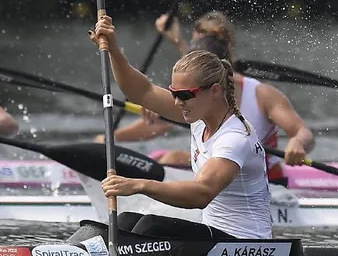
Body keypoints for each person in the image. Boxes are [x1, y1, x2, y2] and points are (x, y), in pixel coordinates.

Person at [90, 15, 271, 240]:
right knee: (125, 221)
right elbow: (141, 91)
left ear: (214, 91)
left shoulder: (235, 137)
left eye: (184, 95)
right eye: (174, 94)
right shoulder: (198, 116)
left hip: (245, 246)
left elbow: (201, 194)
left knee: (150, 226)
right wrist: (113, 49)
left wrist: (139, 184)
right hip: (213, 236)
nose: (177, 102)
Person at [115, 11, 314, 181]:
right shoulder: (198, 92)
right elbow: (151, 94)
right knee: (161, 158)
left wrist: (298, 142)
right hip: (216, 173)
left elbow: (303, 132)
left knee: (171, 159)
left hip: (263, 182)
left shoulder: (262, 94)